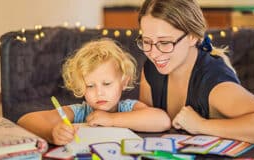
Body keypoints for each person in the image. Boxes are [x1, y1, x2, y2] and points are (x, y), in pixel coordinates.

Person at [136, 0, 254, 145]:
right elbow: (146, 129)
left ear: (192, 37)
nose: (154, 54)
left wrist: (202, 125)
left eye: (164, 42)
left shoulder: (214, 83)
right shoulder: (151, 70)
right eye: (147, 41)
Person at [18, 39, 171, 145]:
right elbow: (25, 121)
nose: (99, 92)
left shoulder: (128, 108)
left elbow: (162, 120)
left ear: (124, 82)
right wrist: (51, 132)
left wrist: (111, 119)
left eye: (107, 83)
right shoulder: (79, 113)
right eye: (90, 86)